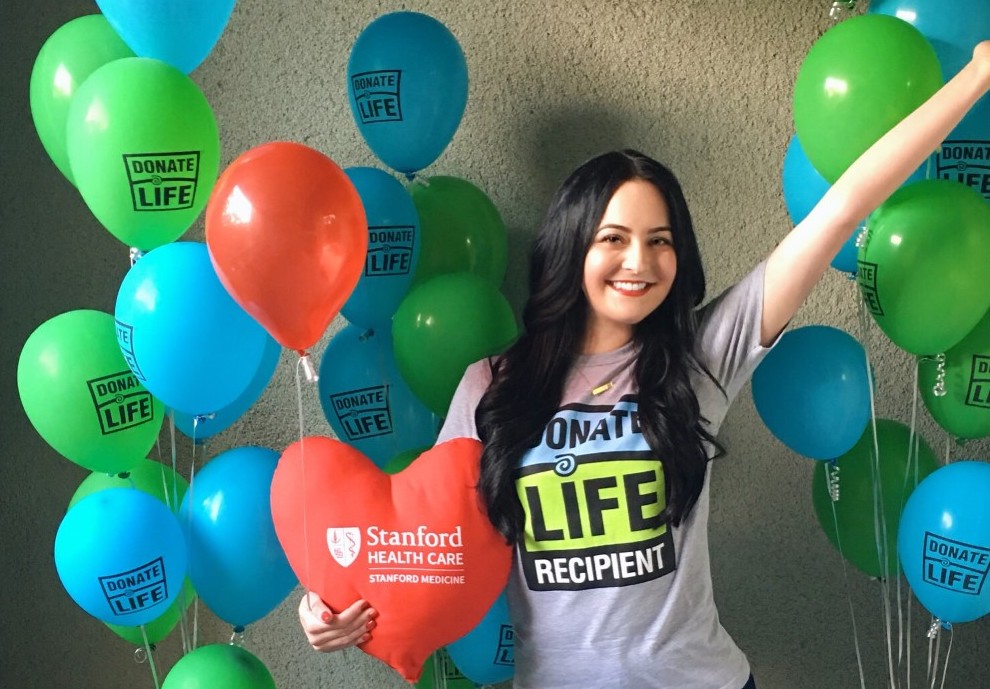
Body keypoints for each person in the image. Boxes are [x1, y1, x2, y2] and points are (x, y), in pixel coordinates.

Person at [299, 42, 990, 688]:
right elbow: (422, 541)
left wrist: (976, 75)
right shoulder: (493, 384)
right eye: (614, 239)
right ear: (574, 246)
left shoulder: (698, 359)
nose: (640, 262)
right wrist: (331, 600)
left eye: (660, 241)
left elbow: (841, 210)